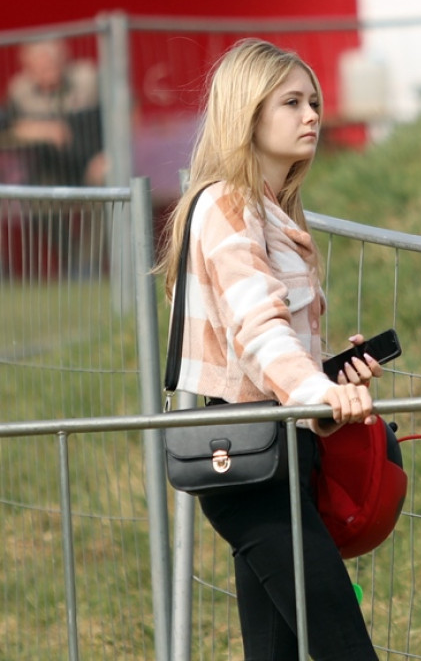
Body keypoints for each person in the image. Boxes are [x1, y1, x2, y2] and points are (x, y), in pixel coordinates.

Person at [156, 38, 382, 661]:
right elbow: (257, 330)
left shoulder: (270, 211)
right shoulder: (229, 205)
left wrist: (332, 371)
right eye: (291, 102)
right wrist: (316, 392)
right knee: (343, 644)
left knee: (275, 651)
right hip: (248, 454)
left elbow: (265, 339)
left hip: (282, 448)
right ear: (247, 113)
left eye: (313, 100)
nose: (313, 114)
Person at [4, 38, 106, 186]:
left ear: (64, 59)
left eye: (53, 63)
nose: (49, 70)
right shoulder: (20, 92)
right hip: (51, 169)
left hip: (96, 159)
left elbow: (127, 111)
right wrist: (42, 129)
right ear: (28, 69)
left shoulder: (88, 79)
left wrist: (110, 154)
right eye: (41, 67)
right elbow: (9, 126)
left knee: (108, 175)